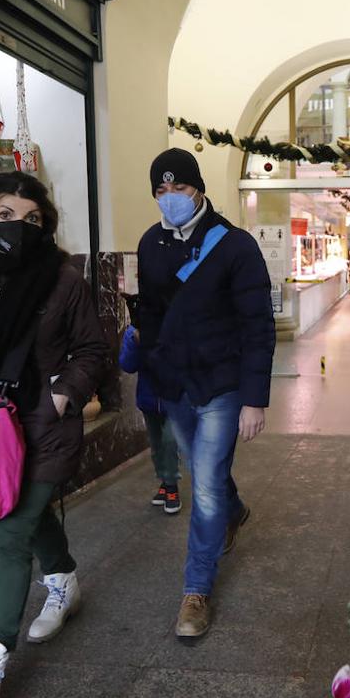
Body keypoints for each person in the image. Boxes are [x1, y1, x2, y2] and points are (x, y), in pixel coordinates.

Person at [0, 172, 109, 698]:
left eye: (31, 219)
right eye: (6, 215)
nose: (18, 226)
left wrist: (64, 395)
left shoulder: (63, 280)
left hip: (45, 426)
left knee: (11, 532)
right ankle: (63, 580)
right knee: (27, 520)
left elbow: (90, 348)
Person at [136, 148, 276, 639]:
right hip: (175, 385)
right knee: (205, 471)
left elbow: (258, 324)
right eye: (161, 190)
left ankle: (195, 591)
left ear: (198, 190)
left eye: (179, 188)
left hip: (221, 385)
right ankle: (236, 512)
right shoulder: (150, 244)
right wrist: (151, 377)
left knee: (206, 487)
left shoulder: (235, 246)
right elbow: (148, 318)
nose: (170, 198)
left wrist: (255, 398)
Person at [118, 316, 182, 514]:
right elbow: (127, 365)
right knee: (156, 445)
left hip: (176, 398)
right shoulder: (135, 330)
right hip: (149, 398)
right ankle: (164, 480)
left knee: (170, 440)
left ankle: (171, 487)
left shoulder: (177, 320)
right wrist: (135, 340)